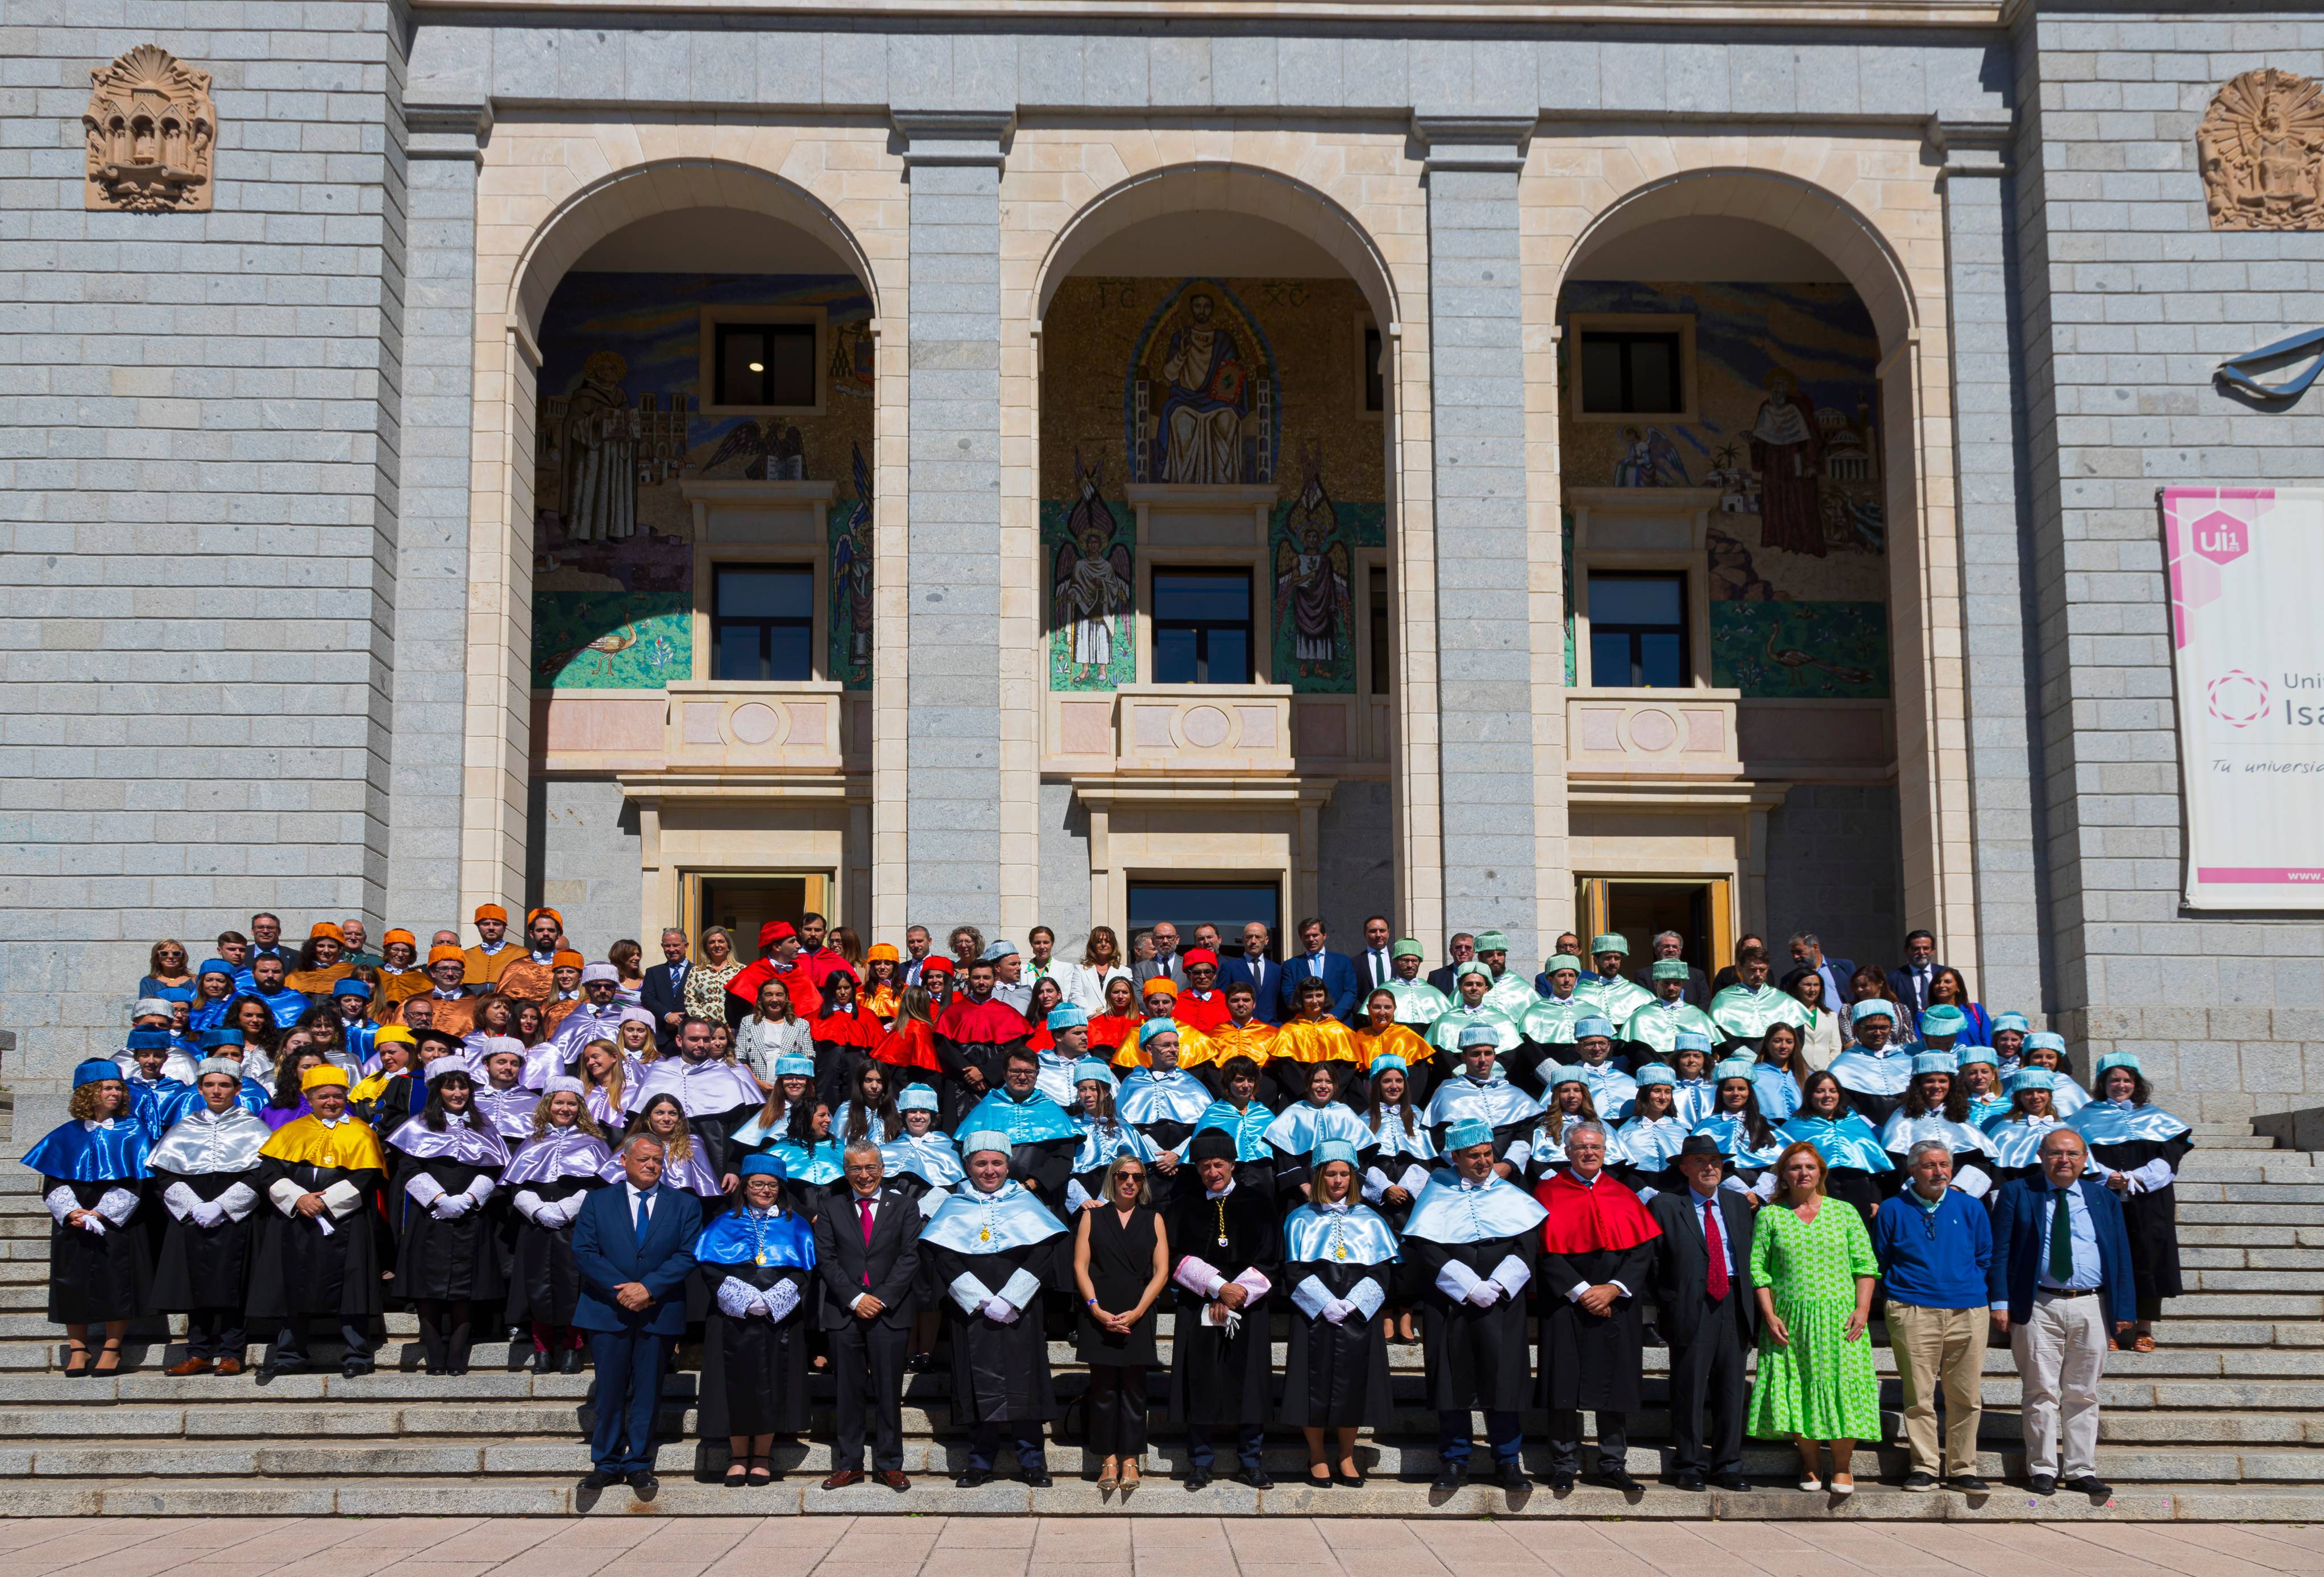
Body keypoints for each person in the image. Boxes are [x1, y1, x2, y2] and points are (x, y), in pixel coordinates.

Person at [1402, 1115, 1547, 1491]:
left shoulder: (1511, 1194)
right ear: (1455, 1157)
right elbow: (1428, 1247)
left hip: (1503, 1301)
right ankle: (1454, 1460)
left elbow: (1526, 1244)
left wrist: (1498, 1283)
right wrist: (1466, 1284)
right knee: (1453, 1380)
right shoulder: (1437, 1190)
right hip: (1451, 1303)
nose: (1484, 1162)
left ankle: (1507, 1461)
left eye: (1487, 1154)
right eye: (1474, 1156)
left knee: (1505, 1378)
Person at [1989, 1127, 2134, 1498]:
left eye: (2072, 1154)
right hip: (2039, 1303)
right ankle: (2042, 1468)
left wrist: (2125, 1307)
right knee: (2040, 1389)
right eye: (2055, 1153)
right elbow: (2001, 1250)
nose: (2064, 1160)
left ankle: (2081, 1469)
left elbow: (2120, 1255)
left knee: (2083, 1391)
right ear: (2041, 1156)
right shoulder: (2017, 1193)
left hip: (2093, 1303)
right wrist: (2000, 1301)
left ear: (2085, 1160)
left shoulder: (2103, 1198)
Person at [920, 1131, 1069, 1487]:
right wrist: (982, 1300)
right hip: (972, 1310)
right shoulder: (954, 1203)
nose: (990, 1171)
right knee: (977, 1381)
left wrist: (1011, 1298)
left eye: (997, 1163)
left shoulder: (1025, 1201)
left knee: (1026, 1382)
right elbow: (944, 1255)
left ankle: (1032, 1461)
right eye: (981, 1163)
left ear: (1008, 1165)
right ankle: (980, 1461)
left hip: (1021, 1309)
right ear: (968, 1166)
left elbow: (1043, 1251)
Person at [1748, 1140, 1882, 1494]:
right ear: (1783, 1175)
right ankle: (1810, 1465)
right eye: (1795, 1167)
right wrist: (1769, 1314)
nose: (1803, 1173)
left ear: (1821, 1173)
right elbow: (1758, 1271)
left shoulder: (1844, 1212)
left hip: (1841, 1317)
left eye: (1810, 1167)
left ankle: (1842, 1466)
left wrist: (1863, 1309)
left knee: (1845, 1388)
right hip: (1789, 1320)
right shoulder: (1770, 1215)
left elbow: (1865, 1267)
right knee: (1797, 1389)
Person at [1534, 1118, 1659, 1493]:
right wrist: (1581, 1291)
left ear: (1606, 1152)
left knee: (1615, 1383)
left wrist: (1613, 1289)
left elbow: (1642, 1250)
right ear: (1568, 1152)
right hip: (1566, 1301)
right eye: (1581, 1147)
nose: (1589, 1153)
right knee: (1563, 1385)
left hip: (1616, 1302)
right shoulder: (1548, 1192)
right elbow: (1541, 1250)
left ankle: (1612, 1463)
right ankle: (1563, 1463)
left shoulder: (1624, 1193)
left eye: (1596, 1148)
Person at [572, 1134, 699, 1496]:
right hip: (607, 1311)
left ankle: (639, 1462)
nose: (652, 1166)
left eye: (658, 1160)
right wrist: (626, 1290)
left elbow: (689, 1254)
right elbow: (584, 1251)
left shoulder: (683, 1204)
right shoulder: (598, 1201)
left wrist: (649, 1289)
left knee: (648, 1390)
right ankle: (606, 1462)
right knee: (610, 1390)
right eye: (644, 1159)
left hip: (658, 1311)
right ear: (624, 1161)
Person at [248, 1064, 389, 1380]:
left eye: (337, 1096)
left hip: (346, 1222)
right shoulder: (290, 1132)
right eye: (323, 1096)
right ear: (309, 1098)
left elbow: (366, 1176)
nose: (331, 1102)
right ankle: (289, 1355)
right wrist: (299, 1199)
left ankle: (357, 1355)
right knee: (292, 1286)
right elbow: (270, 1173)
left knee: (351, 1289)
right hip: (297, 1221)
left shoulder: (361, 1132)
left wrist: (326, 1201)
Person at [1871, 1139, 1994, 1492]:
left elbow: (1984, 1256)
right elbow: (1882, 1258)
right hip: (1912, 1309)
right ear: (1913, 1171)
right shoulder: (1893, 1209)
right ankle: (1924, 1465)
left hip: (1967, 1309)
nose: (1938, 1172)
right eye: (1929, 1166)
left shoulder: (1971, 1207)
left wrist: (1966, 1286)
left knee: (1966, 1395)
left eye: (1944, 1165)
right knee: (1918, 1394)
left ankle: (1962, 1468)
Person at [23, 1060, 154, 1377]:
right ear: (88, 1093)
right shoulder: (65, 1134)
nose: (115, 1093)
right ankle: (78, 1347)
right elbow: (53, 1180)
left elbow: (138, 1181)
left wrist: (103, 1212)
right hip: (75, 1218)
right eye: (107, 1088)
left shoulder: (133, 1131)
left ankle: (112, 1347)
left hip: (115, 1218)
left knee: (117, 1279)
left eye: (118, 1087)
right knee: (72, 1279)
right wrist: (71, 1211)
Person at [1167, 1128, 1281, 1488]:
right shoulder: (1183, 1205)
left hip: (1250, 1304)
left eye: (1218, 1164)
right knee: (1200, 1379)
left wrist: (1237, 1295)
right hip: (1198, 1303)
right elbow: (1172, 1255)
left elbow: (1272, 1257)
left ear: (1232, 1164)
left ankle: (1251, 1460)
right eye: (1203, 1166)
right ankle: (1201, 1461)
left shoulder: (1260, 1203)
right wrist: (1217, 1288)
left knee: (1250, 1383)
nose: (1212, 1173)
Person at [694, 1152, 816, 1488]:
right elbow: (709, 1268)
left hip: (780, 1318)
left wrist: (775, 1299)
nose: (765, 1190)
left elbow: (804, 1271)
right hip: (732, 1317)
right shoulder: (722, 1222)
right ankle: (737, 1456)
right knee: (736, 1384)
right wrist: (744, 1299)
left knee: (773, 1383)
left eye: (772, 1186)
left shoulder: (796, 1224)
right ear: (745, 1187)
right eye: (758, 1184)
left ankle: (762, 1456)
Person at [1280, 1139, 1398, 1487]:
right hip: (1313, 1315)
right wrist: (1325, 1303)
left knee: (1355, 1385)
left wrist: (1354, 1303)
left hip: (1359, 1314)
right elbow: (1293, 1271)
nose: (1337, 1181)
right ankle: (1317, 1454)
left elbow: (1382, 1271)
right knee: (1310, 1384)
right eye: (1330, 1174)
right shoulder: (1300, 1219)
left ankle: (1346, 1455)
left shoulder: (1372, 1220)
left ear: (1353, 1177)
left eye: (1344, 1174)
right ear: (1319, 1177)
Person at [385, 1062, 511, 1375]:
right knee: (427, 1289)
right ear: (437, 1091)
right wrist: (439, 1200)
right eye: (450, 1087)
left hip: (471, 1214)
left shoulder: (484, 1127)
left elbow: (493, 1169)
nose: (458, 1093)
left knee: (465, 1291)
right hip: (430, 1215)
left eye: (463, 1087)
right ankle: (434, 1358)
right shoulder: (417, 1126)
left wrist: (467, 1200)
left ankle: (456, 1357)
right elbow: (409, 1169)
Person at [810, 1140, 922, 1491]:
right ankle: (850, 1464)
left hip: (890, 1313)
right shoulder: (831, 1207)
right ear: (845, 1172)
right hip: (845, 1313)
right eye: (856, 1168)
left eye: (871, 1167)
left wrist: (881, 1299)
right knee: (848, 1392)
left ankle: (890, 1465)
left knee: (889, 1392)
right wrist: (856, 1298)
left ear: (882, 1169)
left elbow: (911, 1257)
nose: (864, 1175)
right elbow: (826, 1259)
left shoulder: (904, 1207)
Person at [1647, 1134, 1758, 1491]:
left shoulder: (1738, 1204)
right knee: (1689, 1387)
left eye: (1715, 1161)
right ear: (1685, 1168)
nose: (1710, 1167)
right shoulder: (1666, 1204)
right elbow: (1654, 1259)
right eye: (1700, 1161)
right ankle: (1690, 1464)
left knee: (1731, 1388)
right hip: (1690, 1304)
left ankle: (1728, 1464)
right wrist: (1669, 1299)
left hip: (1733, 1301)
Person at [150, 1058, 269, 1375]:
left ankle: (232, 1353)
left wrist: (224, 1205)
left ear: (238, 1089)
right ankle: (198, 1352)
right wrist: (193, 1206)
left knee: (233, 1285)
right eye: (210, 1085)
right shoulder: (184, 1126)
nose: (217, 1091)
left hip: (235, 1216)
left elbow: (263, 1173)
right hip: (193, 1216)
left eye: (225, 1085)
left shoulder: (254, 1127)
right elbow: (163, 1174)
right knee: (195, 1283)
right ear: (200, 1088)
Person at [2069, 1051, 2192, 1350]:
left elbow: (2168, 1159)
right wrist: (2106, 1176)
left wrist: (2136, 1179)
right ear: (2103, 1083)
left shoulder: (2157, 1117)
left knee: (2149, 1259)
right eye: (2114, 1080)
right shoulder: (2084, 1117)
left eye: (2126, 1080)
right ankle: (2110, 1326)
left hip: (2150, 1201)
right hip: (2103, 1197)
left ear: (2136, 1084)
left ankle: (2144, 1328)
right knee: (2106, 1257)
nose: (2120, 1085)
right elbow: (2077, 1154)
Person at [1072, 1152, 1169, 1490]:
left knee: (1133, 1390)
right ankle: (1107, 1461)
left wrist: (1140, 1311)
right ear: (1112, 1179)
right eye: (1123, 1176)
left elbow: (1161, 1271)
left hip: (1138, 1312)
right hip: (1099, 1313)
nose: (1130, 1182)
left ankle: (1130, 1460)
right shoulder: (1093, 1217)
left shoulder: (1153, 1217)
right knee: (1102, 1391)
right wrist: (1096, 1310)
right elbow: (1080, 1267)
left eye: (1138, 1177)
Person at [503, 1076, 611, 1373]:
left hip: (575, 1226)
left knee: (574, 1287)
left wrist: (567, 1208)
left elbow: (600, 1184)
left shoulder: (594, 1142)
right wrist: (537, 1210)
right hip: (536, 1225)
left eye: (572, 1103)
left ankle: (571, 1349)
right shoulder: (532, 1141)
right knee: (535, 1287)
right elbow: (516, 1185)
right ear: (548, 1105)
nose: (565, 1108)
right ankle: (541, 1351)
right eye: (559, 1102)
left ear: (580, 1108)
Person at [1778, 1071, 1896, 1223]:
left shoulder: (1854, 1121)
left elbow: (1872, 1164)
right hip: (1818, 1190)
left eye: (1833, 1091)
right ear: (1810, 1095)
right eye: (1820, 1091)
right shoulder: (1794, 1127)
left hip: (1859, 1189)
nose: (1828, 1096)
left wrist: (1875, 1199)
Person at [1277, 915, 1358, 1023]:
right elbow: (1289, 995)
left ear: (1324, 936)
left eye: (1315, 935)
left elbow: (1350, 992)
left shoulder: (1343, 961)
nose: (1311, 939)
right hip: (1304, 1024)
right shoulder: (1291, 965)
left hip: (1338, 1024)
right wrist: (1310, 1015)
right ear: (1301, 938)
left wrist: (1334, 1015)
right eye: (1306, 936)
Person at [1782, 966, 1844, 1072]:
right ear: (1796, 988)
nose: (1812, 990)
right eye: (1807, 985)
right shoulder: (1788, 1015)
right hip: (1797, 1072)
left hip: (1826, 1072)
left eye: (1816, 985)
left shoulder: (1830, 1015)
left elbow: (1836, 1048)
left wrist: (1826, 1071)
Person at [640, 928, 693, 1051]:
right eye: (667, 946)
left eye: (676, 945)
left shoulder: (697, 971)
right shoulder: (653, 972)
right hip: (662, 1038)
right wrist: (666, 1015)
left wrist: (681, 1021)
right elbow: (647, 998)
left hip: (690, 1038)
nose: (671, 949)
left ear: (686, 946)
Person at [682, 926, 746, 1024]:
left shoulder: (741, 970)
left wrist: (733, 1024)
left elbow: (747, 1000)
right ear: (706, 948)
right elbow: (689, 1000)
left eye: (721, 941)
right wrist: (705, 1021)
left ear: (728, 945)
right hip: (704, 1028)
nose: (717, 945)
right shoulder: (696, 971)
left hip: (733, 1028)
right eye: (711, 942)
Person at [1786, 932, 1854, 1018]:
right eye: (1793, 953)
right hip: (1813, 1029)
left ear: (1815, 947)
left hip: (1846, 1026)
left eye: (1800, 952)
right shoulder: (1789, 979)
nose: (1796, 957)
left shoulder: (1844, 967)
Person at [1886, 929, 1943, 1018]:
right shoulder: (1893, 978)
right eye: (1916, 949)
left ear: (1933, 950)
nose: (1921, 953)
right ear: (1906, 951)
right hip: (1909, 1029)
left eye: (1926, 948)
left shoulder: (1946, 974)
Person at [1134, 921, 1189, 990]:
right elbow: (1138, 994)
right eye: (1160, 938)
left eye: (1169, 937)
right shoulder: (1142, 968)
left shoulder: (1187, 963)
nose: (1165, 941)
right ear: (1153, 941)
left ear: (1177, 940)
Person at [1425, 932, 1476, 998]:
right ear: (1451, 951)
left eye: (1468, 947)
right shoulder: (1436, 977)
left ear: (1474, 952)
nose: (1463, 951)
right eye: (1459, 947)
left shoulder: (1483, 975)